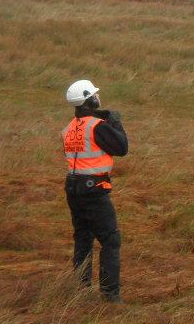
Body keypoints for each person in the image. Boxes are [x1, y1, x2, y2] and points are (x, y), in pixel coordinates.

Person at [62, 79, 128, 303]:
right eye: (95, 95)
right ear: (89, 100)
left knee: (83, 238)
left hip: (73, 188)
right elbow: (122, 148)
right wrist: (116, 124)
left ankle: (81, 288)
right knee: (110, 240)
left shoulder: (68, 129)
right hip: (94, 189)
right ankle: (110, 295)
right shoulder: (97, 126)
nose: (98, 97)